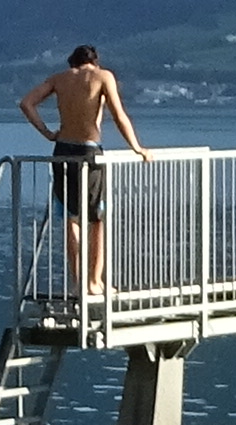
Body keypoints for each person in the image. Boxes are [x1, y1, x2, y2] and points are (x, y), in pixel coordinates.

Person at [17, 44, 148, 294]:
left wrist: (47, 133)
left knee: (71, 218)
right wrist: (137, 147)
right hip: (89, 151)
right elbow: (119, 115)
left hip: (63, 150)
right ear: (94, 62)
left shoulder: (59, 79)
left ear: (72, 63)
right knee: (97, 219)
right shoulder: (103, 76)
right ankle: (95, 282)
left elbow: (26, 103)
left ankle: (78, 284)